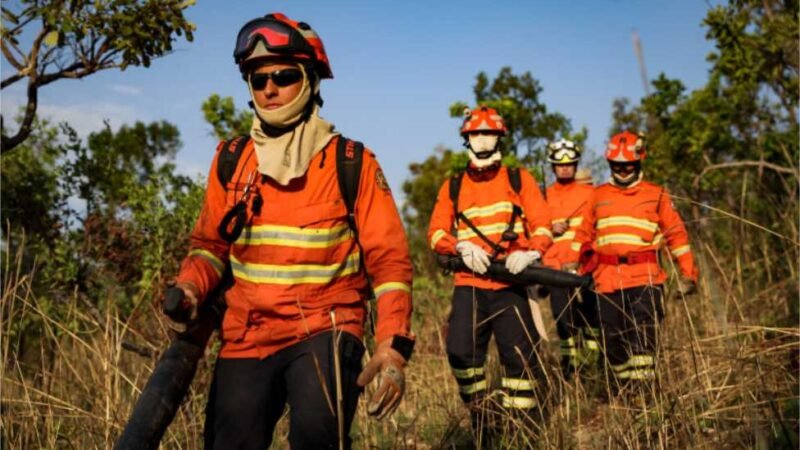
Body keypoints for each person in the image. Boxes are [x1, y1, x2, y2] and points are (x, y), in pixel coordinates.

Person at [169, 13, 414, 449]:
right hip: (247, 334)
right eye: (258, 78)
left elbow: (389, 262)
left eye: (283, 76)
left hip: (326, 329)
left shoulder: (351, 163)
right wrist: (189, 287)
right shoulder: (230, 160)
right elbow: (209, 247)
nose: (269, 88)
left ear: (311, 81)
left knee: (318, 438)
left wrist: (391, 347)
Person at [427, 106, 552, 439]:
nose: (483, 139)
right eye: (476, 133)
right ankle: (482, 416)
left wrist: (531, 252)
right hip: (469, 282)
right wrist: (459, 247)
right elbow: (436, 232)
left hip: (512, 282)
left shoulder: (518, 179)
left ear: (500, 137)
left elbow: (543, 225)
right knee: (459, 351)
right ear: (466, 138)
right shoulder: (452, 186)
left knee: (520, 362)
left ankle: (520, 434)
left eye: (489, 133)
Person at [574, 130, 698, 391]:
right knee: (612, 341)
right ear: (610, 163)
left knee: (644, 337)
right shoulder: (597, 195)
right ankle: (624, 387)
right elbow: (583, 235)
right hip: (606, 280)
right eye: (617, 165)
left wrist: (688, 274)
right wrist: (577, 266)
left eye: (628, 163)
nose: (623, 169)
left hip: (646, 277)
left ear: (639, 161)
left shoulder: (656, 194)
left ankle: (643, 396)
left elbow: (676, 235)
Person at [541, 139, 600, 379]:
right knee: (563, 319)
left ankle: (594, 366)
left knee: (591, 316)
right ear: (553, 167)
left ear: (576, 165)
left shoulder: (591, 193)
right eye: (559, 165)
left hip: (586, 266)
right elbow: (533, 228)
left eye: (570, 164)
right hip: (555, 267)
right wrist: (549, 227)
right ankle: (571, 367)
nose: (565, 168)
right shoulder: (543, 197)